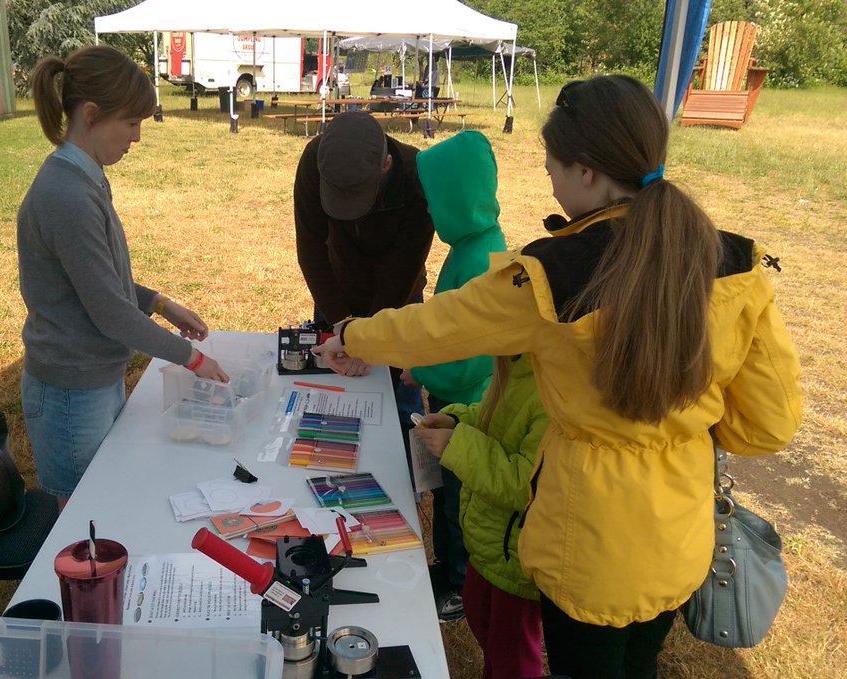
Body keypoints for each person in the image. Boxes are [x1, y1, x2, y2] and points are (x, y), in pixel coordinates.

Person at [315, 75, 802, 678]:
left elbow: (439, 326)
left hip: (587, 546)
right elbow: (767, 426)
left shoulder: (551, 277)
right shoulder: (733, 262)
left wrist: (351, 335)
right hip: (679, 539)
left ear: (587, 173)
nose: (549, 179)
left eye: (550, 167)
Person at [19, 46, 228, 507]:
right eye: (131, 123)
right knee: (84, 515)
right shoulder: (67, 196)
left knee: (105, 499)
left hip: (91, 376)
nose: (136, 137)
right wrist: (191, 359)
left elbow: (97, 280)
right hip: (72, 389)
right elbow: (109, 311)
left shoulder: (87, 180)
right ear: (91, 115)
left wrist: (158, 302)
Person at [404, 130, 507, 622]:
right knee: (445, 490)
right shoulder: (470, 244)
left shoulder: (485, 259)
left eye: (434, 199)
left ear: (457, 197)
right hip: (449, 398)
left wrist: (418, 365)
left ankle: (461, 586)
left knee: (461, 502)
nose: (427, 210)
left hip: (471, 405)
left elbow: (474, 353)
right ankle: (446, 568)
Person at [292, 110, 433, 452]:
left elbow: (405, 269)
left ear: (385, 165)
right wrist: (343, 324)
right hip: (337, 292)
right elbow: (311, 249)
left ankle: (408, 481)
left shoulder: (416, 175)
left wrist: (367, 339)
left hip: (398, 299)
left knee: (400, 398)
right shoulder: (315, 159)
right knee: (334, 397)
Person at [415, 353, 547, 679]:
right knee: (480, 616)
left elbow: (524, 484)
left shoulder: (552, 390)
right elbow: (493, 419)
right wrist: (458, 421)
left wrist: (458, 445)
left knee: (513, 653)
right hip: (489, 542)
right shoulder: (517, 366)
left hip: (516, 555)